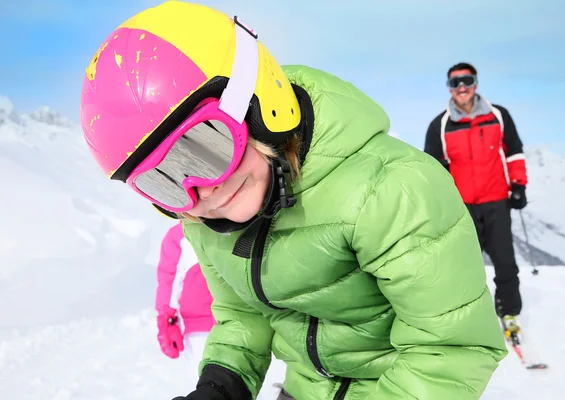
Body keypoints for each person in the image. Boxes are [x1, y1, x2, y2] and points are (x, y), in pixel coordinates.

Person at [79, 2, 507, 399]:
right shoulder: (201, 219)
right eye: (164, 181)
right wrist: (221, 386)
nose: (200, 189)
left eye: (205, 146)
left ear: (261, 102)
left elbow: (452, 347)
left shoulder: (391, 188)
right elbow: (241, 313)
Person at [423, 62, 529, 333]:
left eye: (467, 81)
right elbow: (433, 169)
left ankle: (508, 312)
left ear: (476, 84)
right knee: (462, 263)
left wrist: (519, 185)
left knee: (505, 261)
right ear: (449, 88)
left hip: (496, 201)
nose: (461, 88)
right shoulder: (441, 125)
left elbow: (514, 150)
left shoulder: (498, 115)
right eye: (455, 83)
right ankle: (464, 312)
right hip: (463, 206)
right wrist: (440, 201)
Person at [155, 220, 216, 381]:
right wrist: (166, 319)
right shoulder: (180, 235)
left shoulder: (237, 219)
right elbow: (169, 278)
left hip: (240, 320)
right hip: (200, 328)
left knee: (243, 383)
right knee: (204, 383)